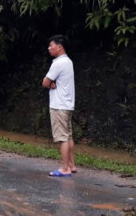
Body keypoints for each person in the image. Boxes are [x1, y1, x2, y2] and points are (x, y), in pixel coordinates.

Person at [42, 34, 76, 177]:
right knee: (68, 136)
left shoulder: (57, 63)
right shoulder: (68, 61)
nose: (49, 48)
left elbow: (45, 82)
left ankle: (65, 169)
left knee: (62, 138)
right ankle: (71, 165)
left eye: (52, 46)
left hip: (58, 105)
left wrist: (51, 84)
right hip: (67, 104)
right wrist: (53, 83)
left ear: (59, 47)